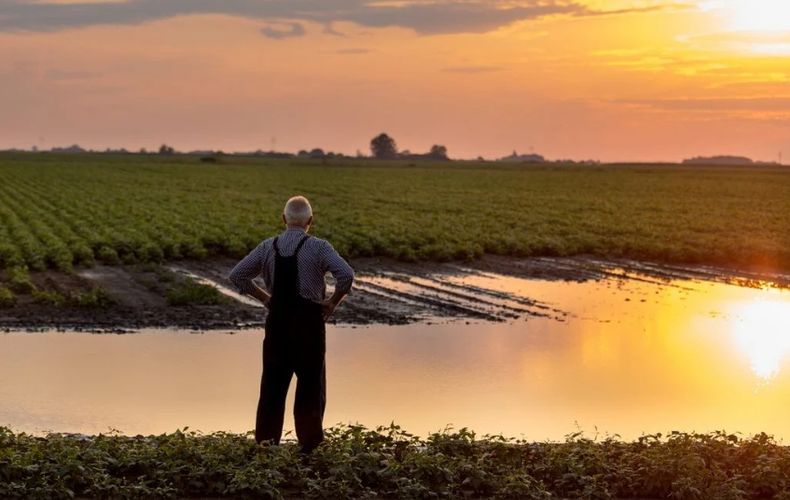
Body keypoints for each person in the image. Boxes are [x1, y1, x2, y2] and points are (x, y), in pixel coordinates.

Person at [229, 195, 354, 453]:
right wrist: (332, 302)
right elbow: (346, 274)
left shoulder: (268, 247)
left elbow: (238, 275)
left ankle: (266, 447)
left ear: (284, 219)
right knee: (310, 387)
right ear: (310, 220)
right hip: (309, 326)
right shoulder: (319, 247)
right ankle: (310, 449)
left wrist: (265, 298)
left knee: (272, 388)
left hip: (278, 326)